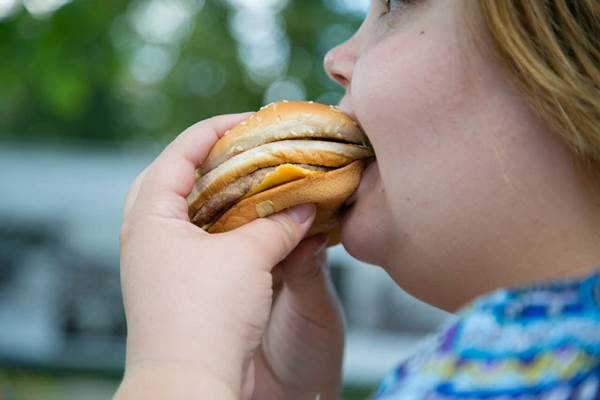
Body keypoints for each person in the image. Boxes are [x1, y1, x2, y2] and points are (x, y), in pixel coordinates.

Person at [114, 0, 600, 399]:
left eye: (395, 3)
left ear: (563, 41)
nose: (334, 60)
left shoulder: (492, 368)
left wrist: (175, 366)